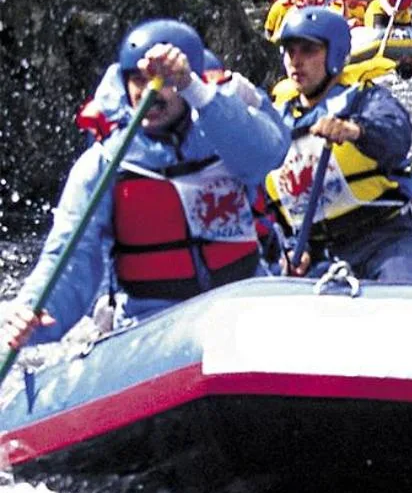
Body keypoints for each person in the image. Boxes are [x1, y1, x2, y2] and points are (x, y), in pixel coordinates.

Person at [3, 20, 289, 350]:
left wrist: (191, 86)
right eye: (137, 80)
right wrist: (35, 310)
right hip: (152, 322)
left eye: (163, 81)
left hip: (242, 298)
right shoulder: (104, 164)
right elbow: (69, 254)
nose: (147, 92)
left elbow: (268, 153)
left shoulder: (225, 133)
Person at [267, 6, 412, 283]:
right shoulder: (274, 119)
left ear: (334, 54)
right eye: (290, 51)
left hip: (386, 239)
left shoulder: (365, 99)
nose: (295, 61)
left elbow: (397, 134)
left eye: (308, 51)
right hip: (317, 251)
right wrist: (289, 249)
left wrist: (355, 131)